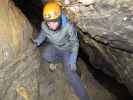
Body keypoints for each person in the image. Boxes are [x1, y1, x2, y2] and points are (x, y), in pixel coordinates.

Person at [33, 1, 89, 100]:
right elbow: (43, 33)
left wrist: (72, 59)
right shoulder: (44, 25)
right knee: (45, 55)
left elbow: (75, 44)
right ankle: (60, 61)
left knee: (71, 75)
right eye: (49, 22)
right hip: (55, 47)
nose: (51, 25)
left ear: (59, 18)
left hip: (67, 50)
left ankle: (84, 98)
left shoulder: (68, 27)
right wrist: (38, 41)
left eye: (54, 22)